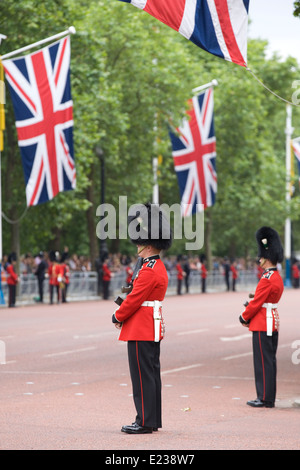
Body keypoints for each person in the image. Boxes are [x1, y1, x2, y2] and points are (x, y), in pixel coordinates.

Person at [112, 203, 172, 434]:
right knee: (150, 375)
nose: (136, 245)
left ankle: (144, 421)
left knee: (142, 376)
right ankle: (151, 419)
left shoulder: (148, 269)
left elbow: (135, 298)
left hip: (141, 326)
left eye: (139, 241)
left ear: (147, 244)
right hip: (149, 324)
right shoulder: (154, 266)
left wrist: (117, 315)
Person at [239, 226, 284, 408]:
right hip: (271, 320)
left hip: (262, 322)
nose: (260, 260)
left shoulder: (267, 278)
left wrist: (244, 316)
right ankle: (267, 396)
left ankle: (264, 397)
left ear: (267, 258)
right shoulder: (276, 277)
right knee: (269, 361)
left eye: (261, 257)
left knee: (263, 362)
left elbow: (257, 302)